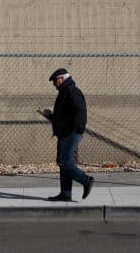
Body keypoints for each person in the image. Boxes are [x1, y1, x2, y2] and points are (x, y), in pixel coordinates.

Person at [38, 68, 94, 201]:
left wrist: (76, 129)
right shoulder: (65, 92)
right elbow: (63, 116)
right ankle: (65, 193)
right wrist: (50, 115)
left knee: (64, 162)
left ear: (61, 79)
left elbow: (80, 112)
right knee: (63, 163)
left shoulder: (71, 91)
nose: (54, 85)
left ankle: (86, 180)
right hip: (65, 133)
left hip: (70, 133)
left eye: (55, 81)